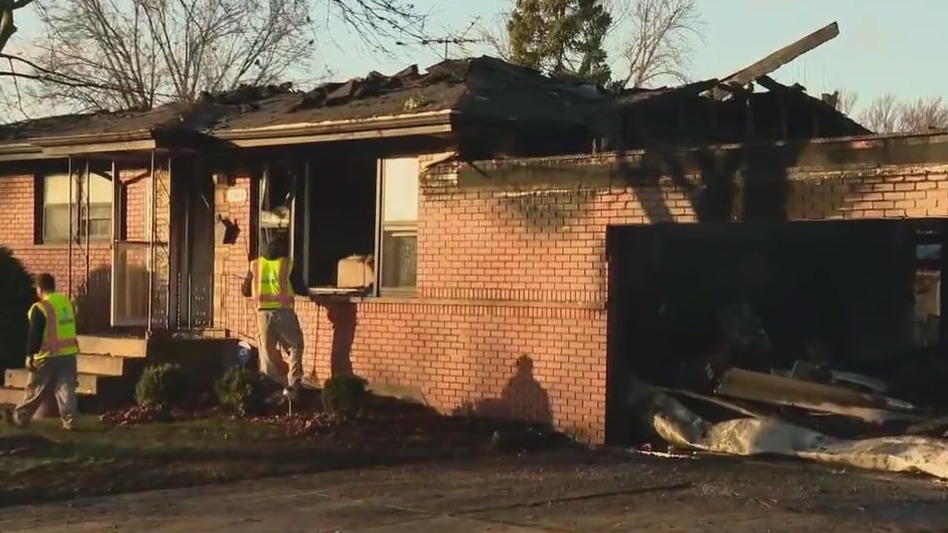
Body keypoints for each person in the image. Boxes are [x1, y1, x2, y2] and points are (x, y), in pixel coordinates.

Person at [8, 273, 80, 430]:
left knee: (36, 389)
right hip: (69, 353)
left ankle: (20, 417)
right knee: (66, 389)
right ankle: (70, 421)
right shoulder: (66, 303)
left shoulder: (40, 308)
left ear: (39, 289)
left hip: (47, 356)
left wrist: (30, 355)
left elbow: (35, 334)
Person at [241, 235, 307, 400]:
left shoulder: (255, 265)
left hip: (262, 314)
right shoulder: (287, 265)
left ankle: (272, 386)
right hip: (284, 312)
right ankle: (293, 384)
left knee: (267, 351)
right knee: (295, 346)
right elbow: (301, 288)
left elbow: (245, 291)